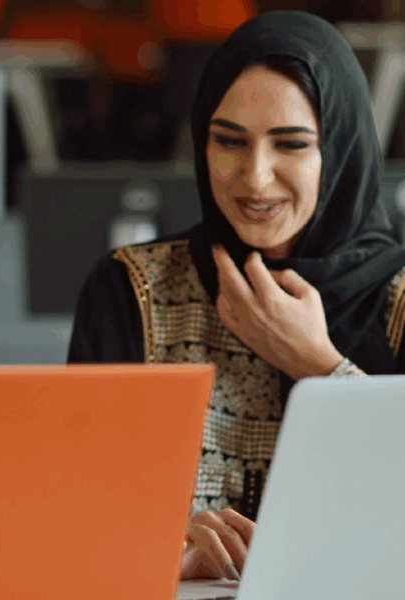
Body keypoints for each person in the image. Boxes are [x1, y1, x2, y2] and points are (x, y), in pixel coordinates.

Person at [68, 11, 405, 582]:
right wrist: (166, 553)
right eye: (229, 141)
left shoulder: (397, 299)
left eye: (291, 145)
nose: (255, 177)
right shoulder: (131, 288)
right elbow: (72, 508)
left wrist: (321, 367)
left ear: (340, 151)